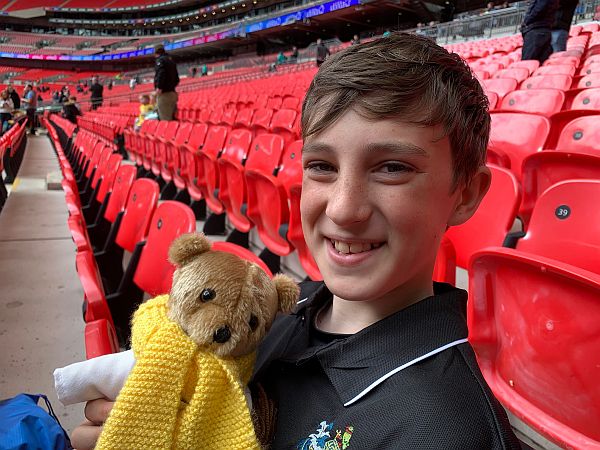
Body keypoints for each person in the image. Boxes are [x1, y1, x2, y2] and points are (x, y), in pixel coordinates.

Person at [71, 32, 522, 450]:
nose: (344, 208)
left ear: (465, 194)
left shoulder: (447, 432)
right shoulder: (273, 313)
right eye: (321, 166)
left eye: (393, 167)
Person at [153, 44, 179, 121]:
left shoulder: (160, 60)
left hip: (165, 94)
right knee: (172, 119)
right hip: (173, 93)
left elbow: (161, 73)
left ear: (155, 53)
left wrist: (159, 87)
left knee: (165, 120)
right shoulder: (171, 60)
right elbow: (177, 79)